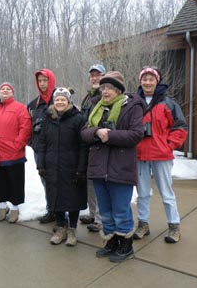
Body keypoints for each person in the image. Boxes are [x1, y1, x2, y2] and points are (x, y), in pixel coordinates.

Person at [81, 71, 145, 262]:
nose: (105, 91)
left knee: (120, 209)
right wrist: (97, 131)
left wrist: (110, 135)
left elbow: (136, 134)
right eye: (103, 88)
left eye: (109, 88)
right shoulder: (96, 107)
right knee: (106, 210)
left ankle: (126, 244)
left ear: (118, 90)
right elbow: (84, 133)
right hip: (99, 167)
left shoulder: (132, 107)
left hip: (121, 166)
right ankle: (112, 241)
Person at [134, 66, 188, 243]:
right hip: (140, 154)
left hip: (161, 155)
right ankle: (143, 223)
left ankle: (174, 226)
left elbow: (180, 127)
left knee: (166, 192)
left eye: (151, 79)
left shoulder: (168, 102)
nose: (147, 82)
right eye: (145, 79)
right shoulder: (135, 102)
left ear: (157, 81)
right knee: (142, 193)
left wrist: (169, 144)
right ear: (140, 81)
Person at [37, 87, 88, 246]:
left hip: (71, 166)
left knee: (72, 198)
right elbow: (42, 143)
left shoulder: (78, 118)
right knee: (56, 197)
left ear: (68, 101)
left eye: (63, 99)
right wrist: (41, 164)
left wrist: (81, 168)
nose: (59, 102)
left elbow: (83, 146)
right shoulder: (48, 118)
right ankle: (60, 228)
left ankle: (72, 229)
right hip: (52, 165)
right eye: (57, 99)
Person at [0, 82, 32, 223]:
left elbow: (25, 128)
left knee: (14, 182)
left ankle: (15, 208)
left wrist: (17, 145)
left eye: (8, 89)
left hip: (13, 153)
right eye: (2, 88)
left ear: (12, 93)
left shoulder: (20, 108)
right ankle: (3, 207)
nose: (5, 90)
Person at [79, 64, 106, 232]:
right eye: (92, 76)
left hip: (100, 145)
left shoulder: (107, 95)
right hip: (87, 144)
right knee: (89, 182)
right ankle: (93, 212)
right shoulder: (88, 97)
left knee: (100, 183)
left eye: (98, 75)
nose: (95, 78)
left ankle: (100, 218)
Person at [27, 68, 56, 224]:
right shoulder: (33, 105)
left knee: (58, 181)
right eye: (40, 81)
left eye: (45, 80)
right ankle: (50, 209)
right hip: (40, 151)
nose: (43, 83)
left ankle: (60, 212)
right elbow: (27, 127)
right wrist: (32, 143)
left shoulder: (59, 99)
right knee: (45, 180)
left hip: (57, 150)